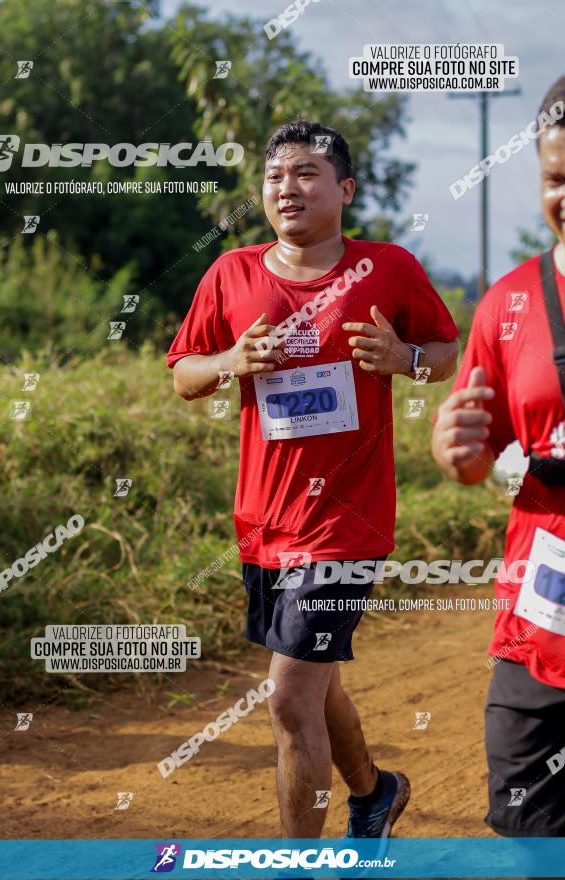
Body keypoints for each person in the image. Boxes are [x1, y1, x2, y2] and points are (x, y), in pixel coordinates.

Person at [168, 120, 459, 838]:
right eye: (273, 176)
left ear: (344, 190)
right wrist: (230, 363)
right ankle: (374, 791)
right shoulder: (230, 273)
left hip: (347, 523)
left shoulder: (387, 268)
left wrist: (403, 359)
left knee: (288, 697)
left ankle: (299, 860)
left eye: (304, 173)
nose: (284, 188)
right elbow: (184, 374)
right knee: (316, 681)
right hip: (264, 520)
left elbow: (444, 350)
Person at [431, 76, 565, 840]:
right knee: (525, 833)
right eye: (555, 177)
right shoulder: (508, 303)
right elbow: (472, 448)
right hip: (538, 627)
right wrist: (456, 453)